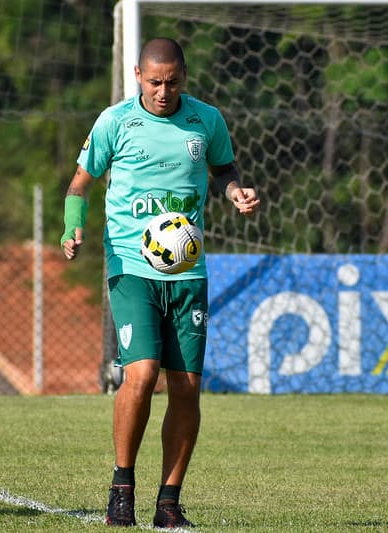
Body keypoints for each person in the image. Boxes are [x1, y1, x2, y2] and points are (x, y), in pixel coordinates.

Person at [60, 37, 259, 528]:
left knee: (187, 387)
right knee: (143, 374)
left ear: (183, 77)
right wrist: (72, 224)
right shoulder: (115, 121)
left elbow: (224, 169)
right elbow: (80, 183)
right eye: (154, 82)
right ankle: (121, 489)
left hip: (188, 269)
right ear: (137, 75)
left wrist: (236, 192)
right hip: (130, 264)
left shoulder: (206, 120)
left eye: (172, 82)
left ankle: (168, 503)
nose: (163, 91)